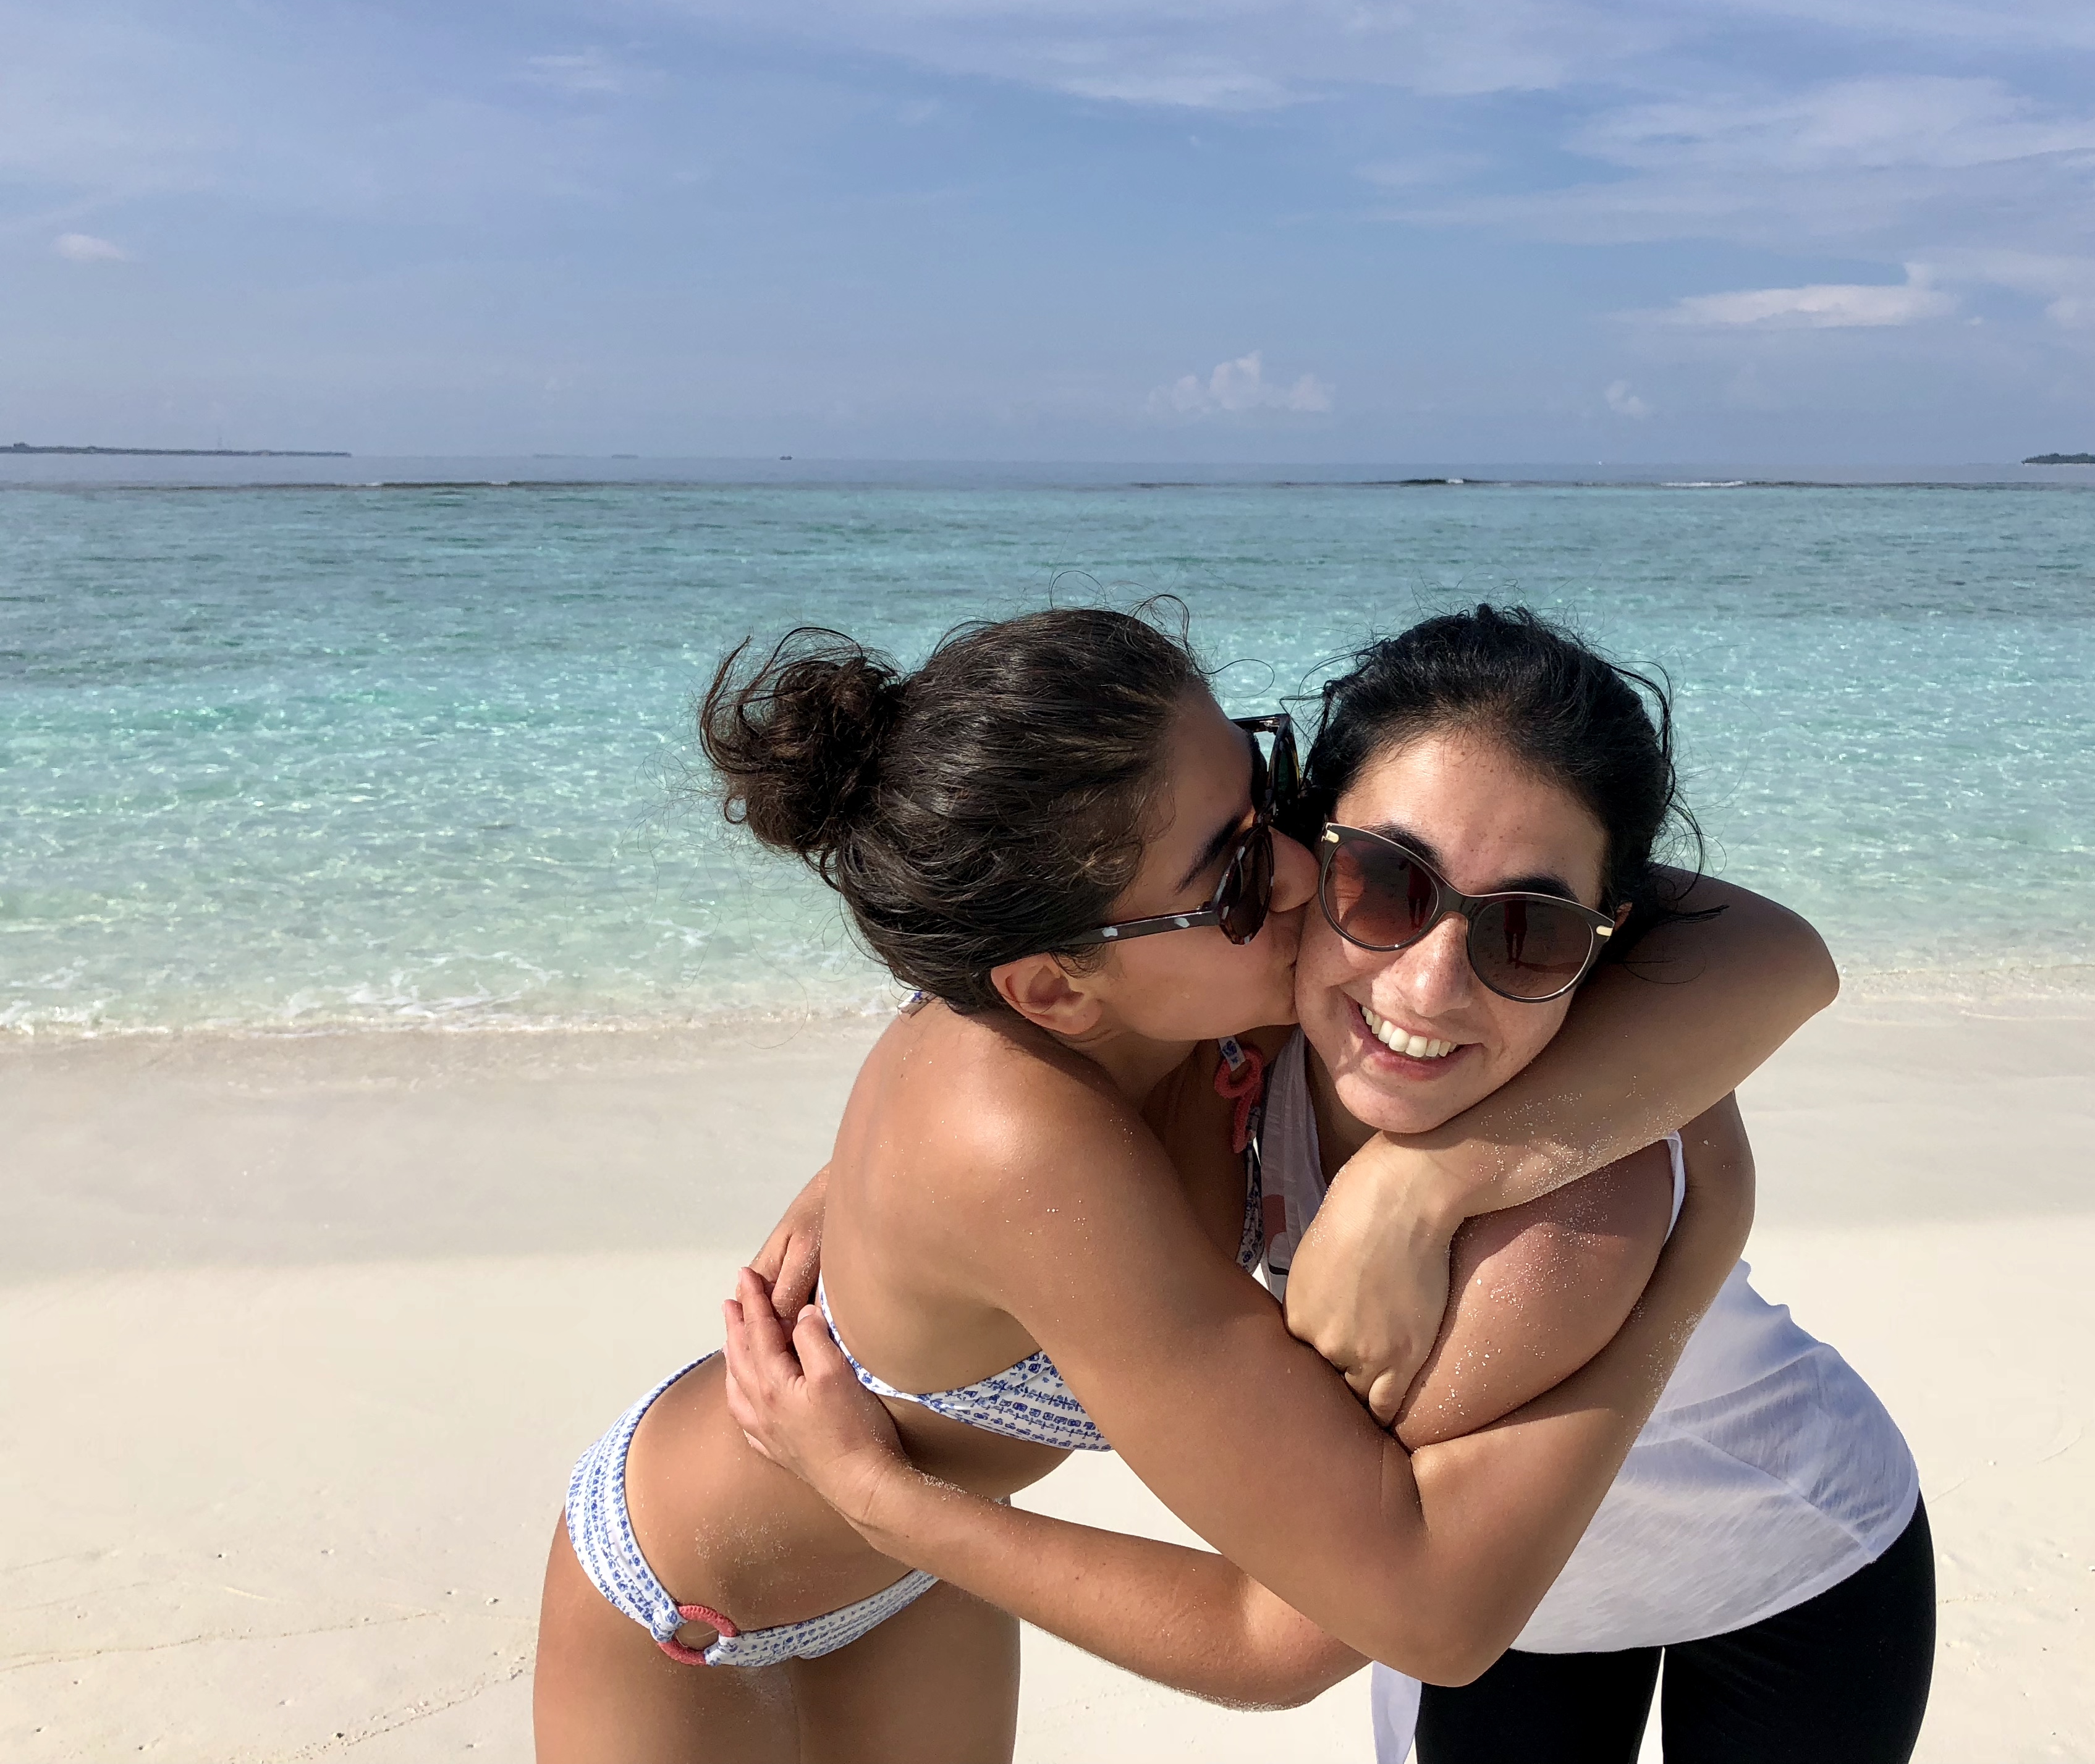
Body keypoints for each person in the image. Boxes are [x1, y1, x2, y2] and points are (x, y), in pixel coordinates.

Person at [538, 604, 1833, 1762]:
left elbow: (1767, 953)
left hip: (920, 1570)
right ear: (1053, 991)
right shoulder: (1025, 1144)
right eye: (1235, 876)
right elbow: (1318, 1632)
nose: (1298, 872)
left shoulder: (1202, 975)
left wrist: (1422, 1184)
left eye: (1269, 796)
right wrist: (875, 1497)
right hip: (689, 1597)